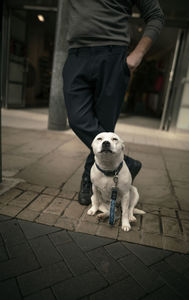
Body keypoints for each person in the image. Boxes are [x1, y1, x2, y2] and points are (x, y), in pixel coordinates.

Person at [63, 0, 165, 206]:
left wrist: (138, 53)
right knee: (77, 119)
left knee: (105, 126)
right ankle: (126, 162)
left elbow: (156, 15)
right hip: (76, 53)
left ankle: (89, 180)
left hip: (113, 56)